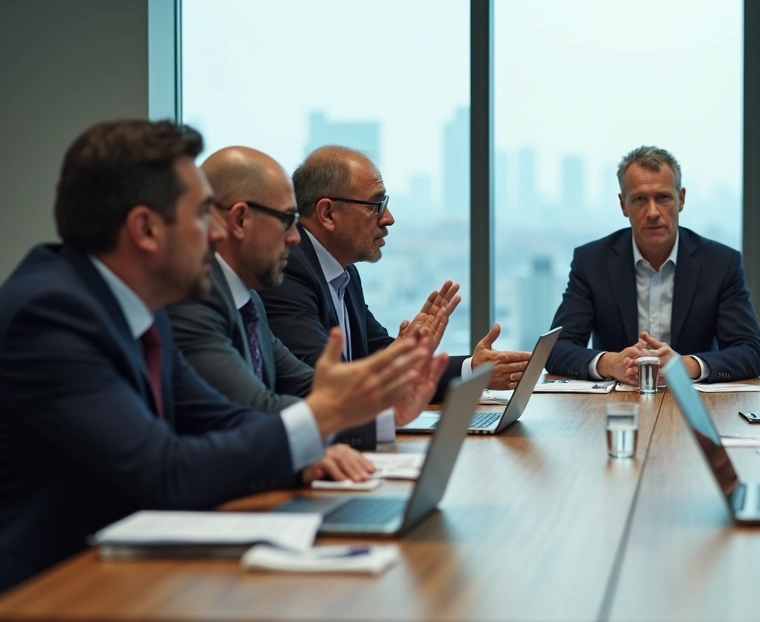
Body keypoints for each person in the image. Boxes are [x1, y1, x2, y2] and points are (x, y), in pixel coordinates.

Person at [0, 120, 442, 592]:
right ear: (145, 229)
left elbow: (224, 416)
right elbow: (163, 469)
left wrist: (330, 427)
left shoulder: (133, 309)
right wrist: (315, 423)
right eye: (199, 217)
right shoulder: (52, 313)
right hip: (46, 593)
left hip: (123, 574)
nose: (215, 237)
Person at [169, 146, 453, 451]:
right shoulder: (196, 301)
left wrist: (385, 415)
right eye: (285, 220)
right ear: (238, 221)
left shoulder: (249, 299)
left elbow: (308, 384)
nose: (294, 238)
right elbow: (256, 407)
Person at [259, 145, 529, 397]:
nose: (388, 218)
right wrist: (395, 359)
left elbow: (378, 351)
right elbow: (326, 382)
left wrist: (472, 369)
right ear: (328, 214)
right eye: (376, 205)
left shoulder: (344, 273)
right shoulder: (288, 269)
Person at [546, 145, 760, 384]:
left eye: (663, 198)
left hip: (694, 405)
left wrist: (684, 366)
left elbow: (750, 352)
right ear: (623, 205)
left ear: (680, 199)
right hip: (615, 407)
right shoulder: (592, 262)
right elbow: (555, 350)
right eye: (640, 199)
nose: (652, 212)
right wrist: (611, 363)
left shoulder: (720, 263)